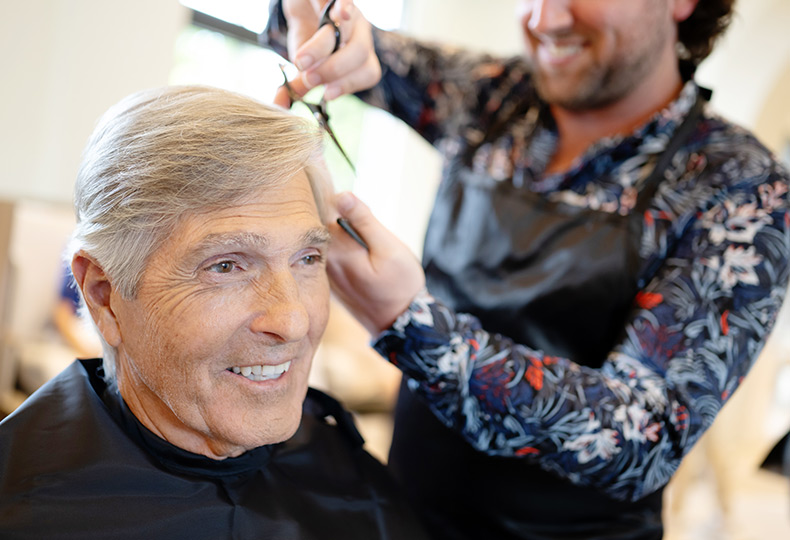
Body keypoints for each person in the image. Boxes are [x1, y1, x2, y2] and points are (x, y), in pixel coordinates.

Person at [262, 1, 790, 538]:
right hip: (405, 515)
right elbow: (323, 34)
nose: (544, 19)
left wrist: (406, 323)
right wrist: (320, 25)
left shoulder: (740, 188)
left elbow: (641, 437)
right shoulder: (493, 97)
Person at [0, 85, 429, 540]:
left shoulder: (352, 478)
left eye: (307, 259)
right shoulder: (25, 511)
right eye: (226, 265)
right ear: (104, 296)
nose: (293, 322)